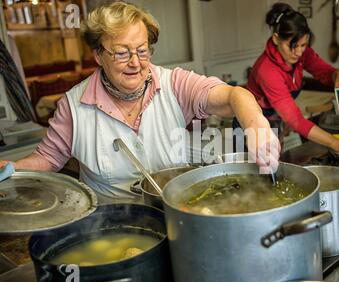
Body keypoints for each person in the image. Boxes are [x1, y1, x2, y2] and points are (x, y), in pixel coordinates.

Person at [0, 2, 279, 204]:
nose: (135, 63)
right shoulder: (74, 106)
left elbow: (233, 96)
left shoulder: (173, 84)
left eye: (142, 51)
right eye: (121, 53)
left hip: (175, 216)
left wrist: (257, 124)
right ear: (98, 55)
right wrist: (10, 168)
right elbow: (48, 159)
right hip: (112, 228)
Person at [244, 2, 339, 157]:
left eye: (303, 45)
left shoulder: (301, 54)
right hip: (251, 124)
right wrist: (335, 142)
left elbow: (324, 72)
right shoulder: (267, 70)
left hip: (276, 119)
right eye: (292, 46)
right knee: (255, 174)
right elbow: (295, 119)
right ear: (276, 39)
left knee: (275, 167)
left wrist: (338, 73)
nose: (299, 52)